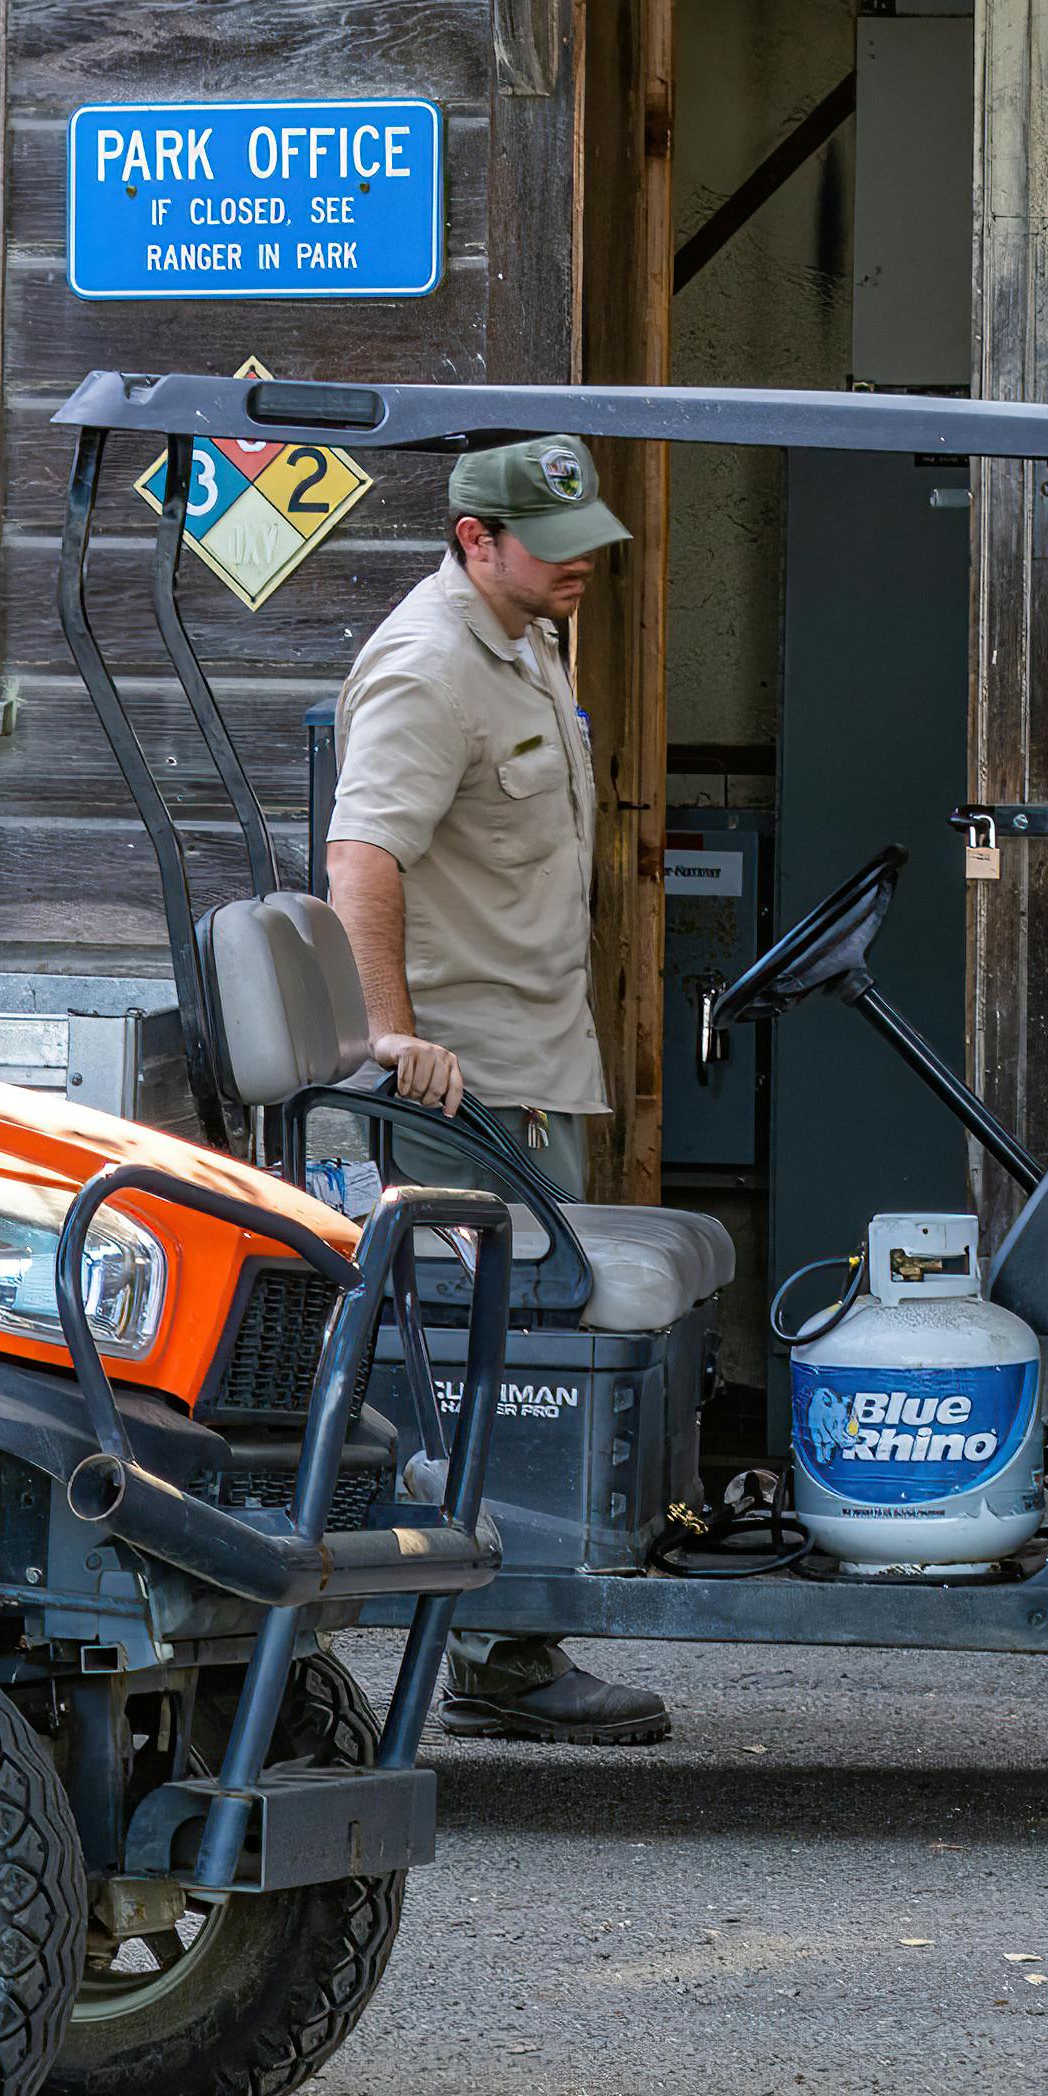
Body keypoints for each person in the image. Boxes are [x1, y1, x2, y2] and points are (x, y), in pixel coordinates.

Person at [318, 434, 675, 1748]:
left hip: (529, 1069)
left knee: (530, 1356)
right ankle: (476, 1663)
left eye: (587, 542)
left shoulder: (522, 642)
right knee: (478, 1376)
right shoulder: (428, 668)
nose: (583, 564)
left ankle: (505, 1649)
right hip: (459, 1095)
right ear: (475, 541)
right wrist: (394, 1039)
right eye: (553, 542)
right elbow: (363, 861)